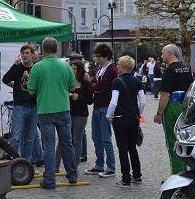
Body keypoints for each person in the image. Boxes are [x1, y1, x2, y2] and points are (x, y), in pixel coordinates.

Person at [27, 37, 78, 189]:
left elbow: (31, 91)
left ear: (43, 49)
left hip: (45, 110)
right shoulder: (66, 66)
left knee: (48, 146)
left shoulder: (37, 67)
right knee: (67, 144)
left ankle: (49, 180)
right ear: (56, 49)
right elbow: (73, 88)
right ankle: (73, 175)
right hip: (63, 108)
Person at [106, 55, 146, 188]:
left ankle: (126, 179)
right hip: (133, 119)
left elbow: (113, 102)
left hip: (120, 118)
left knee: (122, 149)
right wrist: (138, 113)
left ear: (122, 67)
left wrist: (108, 115)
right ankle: (137, 175)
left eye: (118, 64)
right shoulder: (137, 81)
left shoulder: (117, 82)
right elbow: (143, 101)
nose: (116, 66)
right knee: (132, 147)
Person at [153, 44, 193, 174]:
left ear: (169, 53)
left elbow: (165, 94)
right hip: (186, 107)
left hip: (172, 107)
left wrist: (159, 113)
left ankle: (177, 174)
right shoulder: (186, 69)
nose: (161, 55)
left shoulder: (169, 71)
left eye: (163, 52)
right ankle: (188, 172)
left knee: (173, 142)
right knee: (186, 141)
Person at [2, 44, 42, 164]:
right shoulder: (17, 68)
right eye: (23, 53)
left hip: (33, 107)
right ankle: (13, 163)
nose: (25, 55)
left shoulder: (36, 68)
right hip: (20, 107)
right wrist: (15, 65)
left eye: (27, 53)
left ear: (32, 54)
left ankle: (26, 164)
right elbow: (5, 79)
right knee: (15, 138)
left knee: (29, 139)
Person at [85, 43, 117, 177]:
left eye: (99, 56)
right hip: (97, 106)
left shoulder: (111, 70)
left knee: (106, 138)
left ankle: (111, 166)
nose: (97, 58)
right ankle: (99, 165)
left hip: (105, 106)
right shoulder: (100, 70)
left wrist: (93, 87)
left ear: (105, 56)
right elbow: (93, 83)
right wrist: (93, 86)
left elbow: (100, 85)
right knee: (96, 137)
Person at [55, 60, 93, 172]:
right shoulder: (66, 82)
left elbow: (90, 100)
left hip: (81, 115)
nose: (73, 71)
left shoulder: (86, 83)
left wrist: (79, 97)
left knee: (77, 140)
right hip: (67, 113)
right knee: (62, 139)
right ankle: (56, 165)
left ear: (80, 70)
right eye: (71, 68)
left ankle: (74, 165)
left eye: (75, 69)